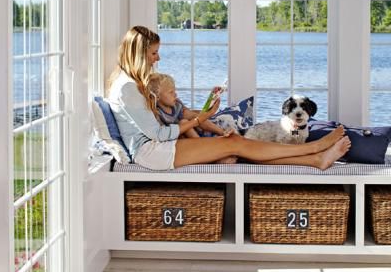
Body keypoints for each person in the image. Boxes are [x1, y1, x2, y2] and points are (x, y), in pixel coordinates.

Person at [107, 25, 351, 171]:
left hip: (161, 147)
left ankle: (315, 158)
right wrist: (198, 120)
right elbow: (158, 135)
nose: (157, 58)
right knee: (235, 143)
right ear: (138, 54)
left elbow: (166, 119)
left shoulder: (133, 84)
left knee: (240, 146)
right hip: (153, 153)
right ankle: (314, 149)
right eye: (153, 53)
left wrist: (202, 114)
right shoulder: (127, 88)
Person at [147, 72, 231, 138]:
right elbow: (162, 133)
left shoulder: (177, 104)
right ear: (157, 96)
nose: (175, 95)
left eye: (174, 91)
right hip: (178, 138)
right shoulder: (157, 112)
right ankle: (203, 145)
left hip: (193, 133)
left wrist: (209, 104)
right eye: (171, 92)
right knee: (184, 122)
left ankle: (222, 132)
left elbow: (193, 115)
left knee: (191, 116)